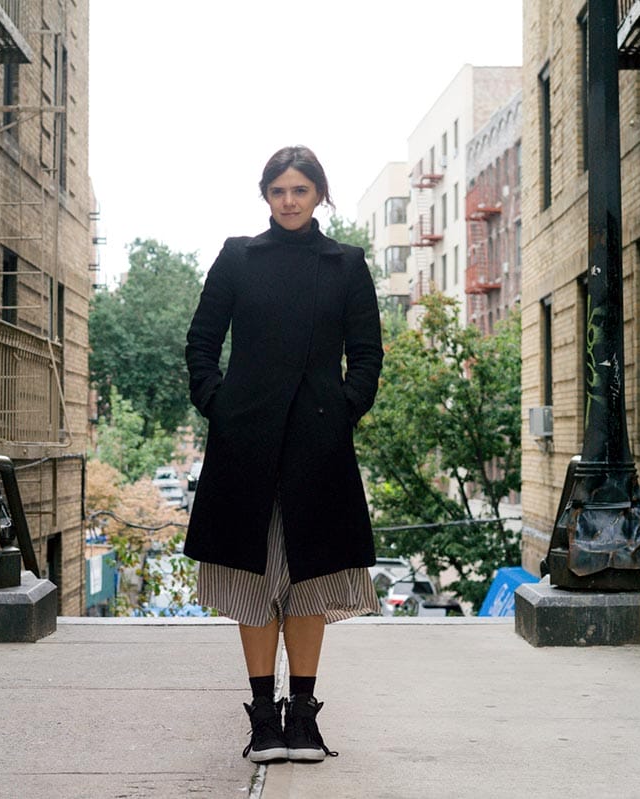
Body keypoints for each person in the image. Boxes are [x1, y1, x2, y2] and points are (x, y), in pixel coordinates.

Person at [184, 145, 383, 763]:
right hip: (245, 447)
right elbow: (201, 343)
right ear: (265, 196)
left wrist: (340, 410)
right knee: (252, 580)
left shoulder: (346, 264)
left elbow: (367, 353)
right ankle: (263, 720)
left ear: (320, 194)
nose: (290, 201)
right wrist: (221, 405)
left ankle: (304, 717)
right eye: (279, 191)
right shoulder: (237, 258)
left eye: (300, 190)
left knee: (309, 582)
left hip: (318, 449)